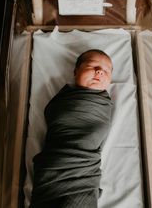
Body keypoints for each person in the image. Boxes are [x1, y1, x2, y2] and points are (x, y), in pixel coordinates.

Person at [30, 49, 113, 208]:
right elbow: (54, 115)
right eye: (92, 65)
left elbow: (98, 130)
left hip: (84, 171)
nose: (100, 72)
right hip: (55, 165)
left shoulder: (104, 105)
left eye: (107, 70)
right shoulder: (63, 99)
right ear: (76, 71)